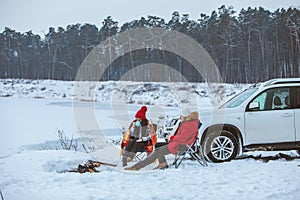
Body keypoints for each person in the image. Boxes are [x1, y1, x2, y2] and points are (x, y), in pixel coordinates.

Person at [125, 108, 200, 170]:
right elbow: (182, 136)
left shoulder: (189, 125)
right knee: (157, 145)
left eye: (181, 116)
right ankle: (162, 163)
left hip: (183, 145)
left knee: (157, 152)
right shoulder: (188, 123)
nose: (180, 117)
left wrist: (171, 137)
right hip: (178, 143)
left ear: (186, 117)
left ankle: (136, 167)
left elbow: (182, 138)